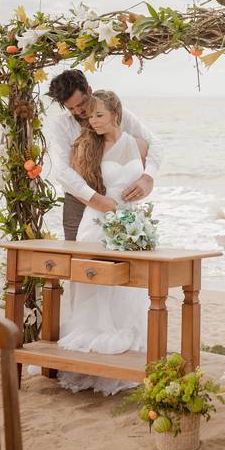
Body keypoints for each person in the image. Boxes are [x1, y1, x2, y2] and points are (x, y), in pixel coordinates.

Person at [55, 90, 152, 395]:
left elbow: (146, 175)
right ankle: (93, 361)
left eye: (99, 115)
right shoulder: (87, 146)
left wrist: (146, 185)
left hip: (131, 222)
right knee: (96, 288)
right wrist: (97, 201)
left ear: (115, 115)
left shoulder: (140, 144)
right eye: (90, 116)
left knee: (130, 288)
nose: (92, 121)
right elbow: (72, 180)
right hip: (98, 221)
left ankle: (131, 356)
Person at [45, 69, 161, 240]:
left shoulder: (117, 113)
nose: (78, 111)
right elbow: (61, 170)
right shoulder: (61, 125)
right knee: (78, 258)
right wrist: (95, 200)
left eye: (81, 103)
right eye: (71, 108)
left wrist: (147, 177)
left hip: (117, 202)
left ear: (89, 91)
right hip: (78, 199)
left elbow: (154, 143)